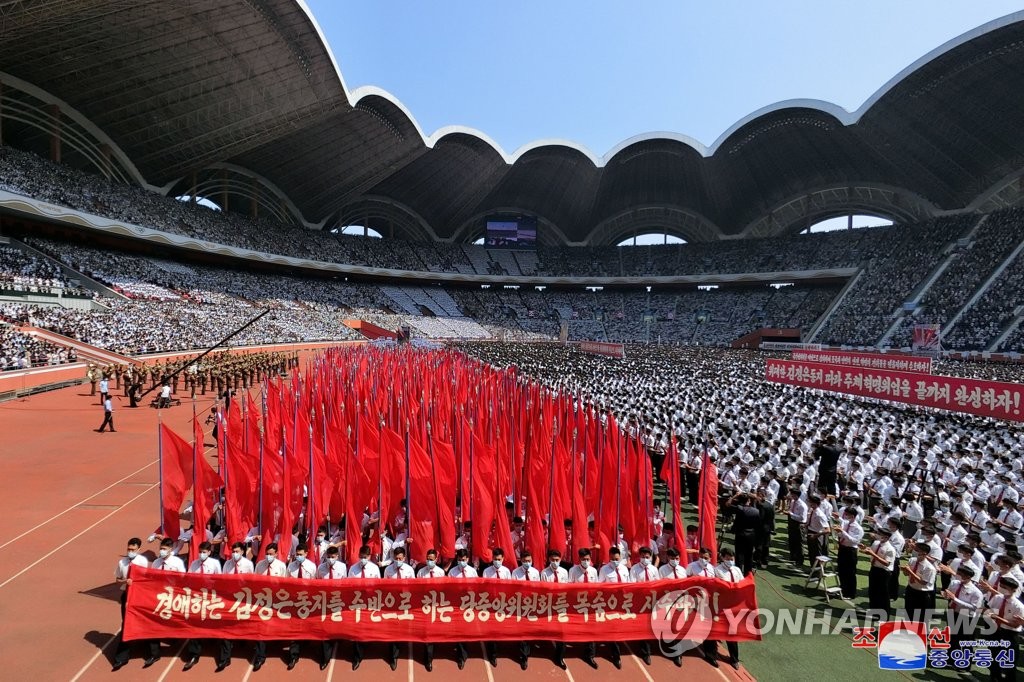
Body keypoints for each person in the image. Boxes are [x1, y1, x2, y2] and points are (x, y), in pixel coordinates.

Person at [111, 537, 160, 671]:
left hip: (140, 596)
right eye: (129, 549)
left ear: (139, 549)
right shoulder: (122, 562)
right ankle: (121, 658)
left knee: (147, 622)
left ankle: (154, 653)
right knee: (126, 624)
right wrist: (125, 581)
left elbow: (145, 579)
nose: (130, 551)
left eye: (133, 549)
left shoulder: (142, 561)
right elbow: (117, 579)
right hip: (127, 596)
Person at [182, 542, 226, 672]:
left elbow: (220, 581)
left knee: (218, 626)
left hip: (211, 598)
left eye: (204, 552)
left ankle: (222, 655)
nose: (201, 554)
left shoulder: (215, 564)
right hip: (197, 599)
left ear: (209, 552)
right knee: (194, 626)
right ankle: (193, 655)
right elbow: (189, 578)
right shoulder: (194, 564)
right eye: (200, 552)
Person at [703, 547, 743, 669]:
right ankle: (710, 655)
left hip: (732, 605)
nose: (730, 561)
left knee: (732, 632)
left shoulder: (736, 570)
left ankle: (734, 659)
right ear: (722, 558)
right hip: (719, 605)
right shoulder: (717, 571)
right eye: (727, 558)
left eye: (732, 559)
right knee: (714, 629)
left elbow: (741, 584)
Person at [251, 544, 288, 671]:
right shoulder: (260, 565)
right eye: (267, 553)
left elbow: (285, 584)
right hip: (262, 600)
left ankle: (275, 641)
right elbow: (255, 581)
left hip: (276, 601)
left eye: (271, 554)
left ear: (276, 554)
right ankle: (260, 656)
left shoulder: (281, 566)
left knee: (274, 625)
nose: (268, 556)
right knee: (260, 626)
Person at [437, 548, 476, 670]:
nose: (461, 562)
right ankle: (461, 656)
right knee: (459, 630)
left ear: (468, 559)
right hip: (456, 605)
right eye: (459, 560)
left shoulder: (472, 572)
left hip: (468, 605)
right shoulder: (452, 572)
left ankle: (463, 652)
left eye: (463, 560)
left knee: (466, 631)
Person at [282, 544, 318, 670]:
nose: (298, 556)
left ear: (306, 554)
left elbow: (315, 583)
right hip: (294, 601)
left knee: (308, 625)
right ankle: (293, 655)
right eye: (297, 554)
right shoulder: (291, 567)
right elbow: (286, 582)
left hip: (308, 601)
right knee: (294, 628)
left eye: (301, 554)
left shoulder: (312, 567)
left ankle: (307, 640)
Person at [349, 545, 382, 669]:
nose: (363, 559)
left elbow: (378, 585)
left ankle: (366, 642)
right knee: (357, 630)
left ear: (369, 556)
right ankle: (357, 657)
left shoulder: (374, 569)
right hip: (357, 603)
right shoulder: (353, 569)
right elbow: (349, 585)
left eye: (365, 557)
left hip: (369, 603)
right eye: (361, 557)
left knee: (367, 627)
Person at [594, 546, 628, 669]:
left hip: (623, 602)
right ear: (609, 558)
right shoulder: (604, 570)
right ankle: (616, 655)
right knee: (613, 627)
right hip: (610, 603)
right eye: (613, 559)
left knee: (619, 627)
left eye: (617, 559)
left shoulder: (624, 569)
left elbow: (629, 585)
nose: (615, 561)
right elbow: (600, 586)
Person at [984, 575, 1023, 682]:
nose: (1002, 588)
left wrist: (997, 618)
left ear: (1013, 590)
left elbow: (1016, 625)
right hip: (996, 631)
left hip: (1010, 635)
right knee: (994, 658)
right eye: (1002, 586)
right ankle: (995, 678)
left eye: (1005, 587)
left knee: (1009, 663)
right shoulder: (997, 598)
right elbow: (988, 609)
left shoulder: (1018, 606)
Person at [383, 547, 415, 671]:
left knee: (404, 627)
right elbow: (384, 587)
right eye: (396, 558)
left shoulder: (409, 570)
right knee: (393, 630)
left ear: (404, 558)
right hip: (392, 604)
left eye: (400, 558)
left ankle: (402, 643)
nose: (398, 561)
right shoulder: (388, 570)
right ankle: (393, 656)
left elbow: (414, 587)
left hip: (405, 603)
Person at [316, 547, 347, 669]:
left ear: (337, 557)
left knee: (337, 624)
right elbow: (317, 582)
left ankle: (337, 637)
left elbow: (345, 582)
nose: (330, 560)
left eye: (333, 557)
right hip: (325, 601)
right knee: (325, 629)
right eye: (328, 557)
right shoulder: (321, 568)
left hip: (338, 600)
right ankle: (325, 657)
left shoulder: (342, 567)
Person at [481, 547, 512, 667]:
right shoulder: (487, 571)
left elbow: (510, 587)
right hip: (491, 603)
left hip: (503, 603)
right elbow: (484, 588)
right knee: (492, 629)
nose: (497, 561)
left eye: (499, 559)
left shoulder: (506, 572)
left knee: (501, 628)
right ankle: (493, 654)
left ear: (503, 559)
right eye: (495, 559)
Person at [629, 547, 659, 665]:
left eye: (647, 557)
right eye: (643, 557)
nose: (645, 559)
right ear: (639, 556)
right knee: (643, 625)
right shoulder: (634, 569)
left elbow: (658, 583)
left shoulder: (653, 569)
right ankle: (645, 651)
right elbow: (632, 585)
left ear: (651, 557)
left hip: (652, 600)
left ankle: (649, 645)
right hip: (640, 601)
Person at [541, 549, 569, 670]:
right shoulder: (544, 573)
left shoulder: (564, 572)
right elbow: (543, 589)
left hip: (562, 605)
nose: (555, 562)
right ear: (549, 560)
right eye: (553, 560)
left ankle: (559, 656)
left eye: (557, 560)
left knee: (562, 631)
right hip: (549, 604)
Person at [510, 550, 539, 669]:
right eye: (525, 561)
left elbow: (539, 588)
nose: (527, 563)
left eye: (529, 561)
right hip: (520, 604)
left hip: (532, 604)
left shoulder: (536, 572)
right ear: (521, 561)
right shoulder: (516, 573)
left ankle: (527, 649)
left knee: (530, 629)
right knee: (523, 631)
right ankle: (524, 656)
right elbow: (512, 589)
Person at [860, 528, 896, 620]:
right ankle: (874, 612)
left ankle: (884, 615)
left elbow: (887, 563)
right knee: (872, 591)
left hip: (883, 572)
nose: (878, 535)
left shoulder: (890, 549)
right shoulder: (876, 543)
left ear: (886, 537)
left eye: (880, 534)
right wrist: (864, 549)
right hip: (874, 569)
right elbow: (870, 552)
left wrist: (872, 553)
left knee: (883, 594)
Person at [902, 540, 937, 621]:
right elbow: (906, 574)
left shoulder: (929, 568)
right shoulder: (912, 560)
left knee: (920, 617)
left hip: (922, 594)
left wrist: (910, 571)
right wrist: (905, 570)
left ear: (924, 553)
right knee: (908, 612)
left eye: (918, 550)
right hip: (911, 589)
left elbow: (923, 582)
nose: (915, 552)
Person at [836, 506, 863, 600]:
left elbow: (855, 541)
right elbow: (841, 535)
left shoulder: (858, 528)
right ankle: (843, 589)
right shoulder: (846, 523)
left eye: (847, 514)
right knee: (841, 570)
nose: (846, 516)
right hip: (843, 548)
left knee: (850, 572)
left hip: (850, 550)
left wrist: (843, 532)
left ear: (853, 516)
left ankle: (850, 593)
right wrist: (839, 532)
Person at [787, 490, 807, 566]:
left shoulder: (802, 505)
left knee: (799, 543)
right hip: (792, 522)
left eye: (793, 495)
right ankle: (793, 556)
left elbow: (802, 518)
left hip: (799, 524)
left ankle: (800, 560)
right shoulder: (793, 502)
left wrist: (791, 514)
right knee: (792, 540)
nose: (792, 496)